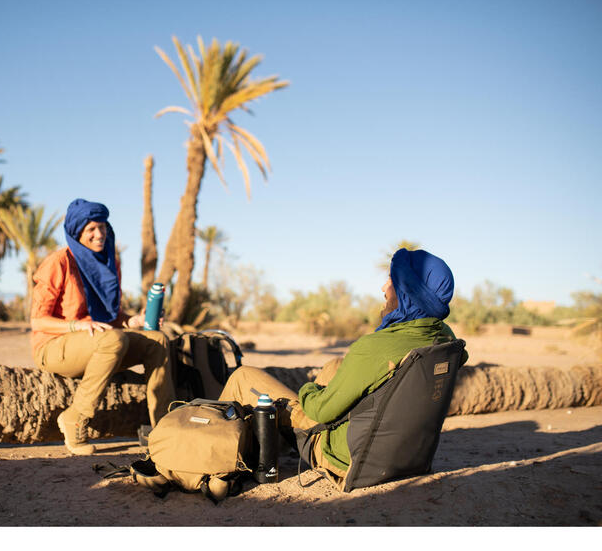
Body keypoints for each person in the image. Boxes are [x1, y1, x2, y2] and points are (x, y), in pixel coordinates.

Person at [218, 248, 468, 477]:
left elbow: (321, 411)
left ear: (408, 292)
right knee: (336, 366)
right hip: (403, 457)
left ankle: (214, 463)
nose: (383, 287)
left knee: (244, 377)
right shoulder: (446, 342)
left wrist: (309, 389)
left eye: (392, 281)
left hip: (344, 457)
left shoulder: (375, 348)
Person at [30, 198, 174, 456]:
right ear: (77, 233)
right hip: (54, 346)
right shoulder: (59, 262)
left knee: (157, 340)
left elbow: (112, 317)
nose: (99, 235)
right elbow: (37, 321)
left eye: (102, 227)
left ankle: (163, 426)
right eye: (91, 230)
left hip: (100, 341)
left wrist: (135, 320)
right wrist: (77, 327)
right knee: (113, 340)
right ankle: (75, 417)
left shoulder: (109, 263)